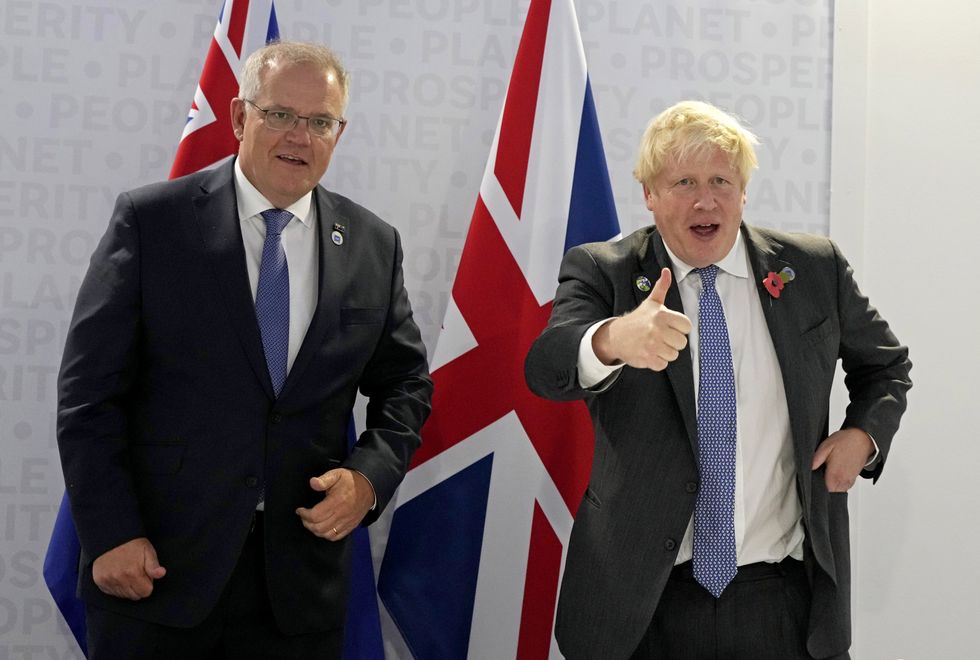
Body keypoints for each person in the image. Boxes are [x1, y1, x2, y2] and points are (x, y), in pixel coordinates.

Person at [56, 41, 432, 658]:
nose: (299, 137)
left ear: (340, 131)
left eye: (319, 122)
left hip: (298, 589)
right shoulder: (154, 223)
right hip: (156, 572)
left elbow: (406, 385)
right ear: (238, 117)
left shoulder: (372, 243)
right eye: (280, 114)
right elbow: (89, 396)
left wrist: (369, 478)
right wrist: (111, 534)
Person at [524, 100, 911, 660]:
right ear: (649, 195)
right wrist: (612, 339)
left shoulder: (812, 268)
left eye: (721, 181)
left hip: (782, 601)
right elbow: (546, 367)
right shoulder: (603, 269)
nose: (705, 201)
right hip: (641, 605)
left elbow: (886, 366)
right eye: (683, 182)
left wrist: (864, 438)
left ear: (744, 191)